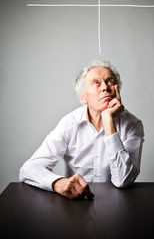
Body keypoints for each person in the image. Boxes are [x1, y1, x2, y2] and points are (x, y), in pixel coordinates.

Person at [19, 60, 144, 200]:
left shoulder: (133, 124)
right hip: (76, 203)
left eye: (110, 81)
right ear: (84, 97)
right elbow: (29, 169)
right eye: (96, 83)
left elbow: (124, 180)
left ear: (117, 90)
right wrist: (58, 183)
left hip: (118, 203)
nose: (105, 87)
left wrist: (108, 121)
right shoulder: (69, 123)